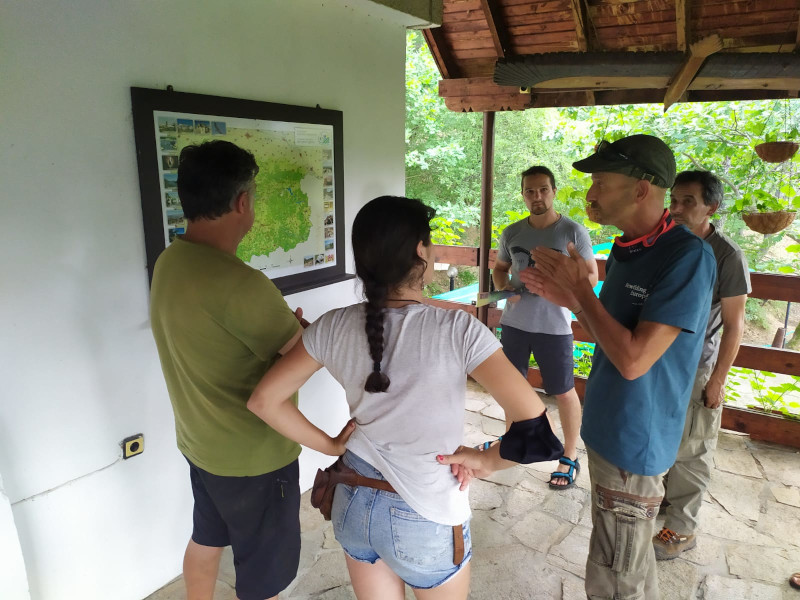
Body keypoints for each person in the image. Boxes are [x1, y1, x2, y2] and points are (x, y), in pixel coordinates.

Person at [248, 196, 563, 600]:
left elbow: (263, 401)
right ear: (420, 252)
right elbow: (537, 433)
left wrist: (329, 445)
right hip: (425, 511)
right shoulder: (458, 330)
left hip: (353, 498)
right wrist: (485, 460)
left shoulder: (331, 326)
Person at [520, 135, 716, 599]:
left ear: (642, 189)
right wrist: (571, 299)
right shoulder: (630, 248)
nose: (589, 195)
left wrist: (582, 292)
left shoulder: (686, 256)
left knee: (613, 576)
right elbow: (612, 335)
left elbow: (633, 361)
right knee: (626, 561)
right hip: (610, 428)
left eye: (601, 183)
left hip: (636, 441)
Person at [150, 140, 318, 600]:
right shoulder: (241, 283)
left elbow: (227, 339)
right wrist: (308, 337)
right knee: (265, 574)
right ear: (243, 202)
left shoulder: (170, 261)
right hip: (254, 459)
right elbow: (300, 359)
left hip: (201, 446)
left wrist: (289, 336)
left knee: (206, 538)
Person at [653, 170, 751, 559]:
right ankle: (664, 504)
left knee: (692, 449)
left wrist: (718, 380)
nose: (676, 209)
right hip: (659, 361)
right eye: (674, 200)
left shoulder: (726, 254)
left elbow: (735, 324)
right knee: (663, 436)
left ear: (711, 207)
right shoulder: (666, 242)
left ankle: (681, 529)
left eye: (687, 202)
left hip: (698, 367)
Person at [492, 165, 598, 490]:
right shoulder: (512, 232)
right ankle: (513, 444)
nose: (536, 196)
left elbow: (591, 277)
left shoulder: (573, 232)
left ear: (553, 191)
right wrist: (505, 292)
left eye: (542, 190)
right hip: (515, 325)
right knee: (512, 388)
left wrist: (563, 290)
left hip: (554, 327)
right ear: (523, 194)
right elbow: (500, 269)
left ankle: (569, 456)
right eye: (530, 191)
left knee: (564, 391)